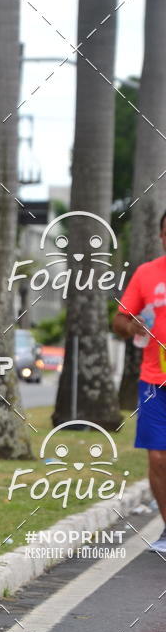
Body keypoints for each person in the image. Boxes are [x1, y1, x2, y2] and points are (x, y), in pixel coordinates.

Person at [113, 210, 166, 553]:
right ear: (162, 236)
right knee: (159, 459)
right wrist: (132, 327)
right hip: (154, 383)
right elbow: (119, 320)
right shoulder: (147, 274)